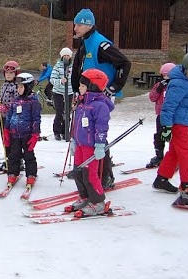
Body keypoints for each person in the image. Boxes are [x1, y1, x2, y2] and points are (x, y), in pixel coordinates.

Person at [70, 8, 131, 189]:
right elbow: (79, 69)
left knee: (97, 136)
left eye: (79, 24)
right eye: (75, 24)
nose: (75, 28)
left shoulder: (100, 43)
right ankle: (86, 170)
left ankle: (105, 176)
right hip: (86, 96)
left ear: (88, 25)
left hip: (99, 98)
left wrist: (112, 88)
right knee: (84, 134)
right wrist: (76, 91)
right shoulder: (85, 42)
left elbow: (124, 63)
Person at [152, 51, 188, 200]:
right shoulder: (178, 84)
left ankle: (161, 178)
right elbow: (168, 107)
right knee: (186, 152)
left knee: (175, 151)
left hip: (184, 123)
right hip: (177, 124)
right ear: (185, 69)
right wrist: (166, 127)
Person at [67, 68, 114, 217]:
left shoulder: (100, 106)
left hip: (90, 146)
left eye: (82, 85)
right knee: (78, 172)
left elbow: (102, 127)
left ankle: (98, 201)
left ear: (92, 86)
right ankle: (85, 197)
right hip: (80, 144)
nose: (79, 88)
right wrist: (73, 139)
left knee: (90, 174)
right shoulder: (82, 103)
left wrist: (100, 145)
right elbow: (76, 123)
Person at [3, 73, 41, 187]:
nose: (18, 89)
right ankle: (12, 173)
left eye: (21, 87)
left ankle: (31, 175)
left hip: (27, 135)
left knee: (29, 156)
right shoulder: (15, 101)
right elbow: (9, 116)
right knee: (13, 155)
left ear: (28, 87)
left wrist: (35, 134)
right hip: (14, 134)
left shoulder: (33, 102)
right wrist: (6, 130)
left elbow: (36, 119)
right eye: (17, 87)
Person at [0, 60, 23, 171]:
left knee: (14, 141)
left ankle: (18, 161)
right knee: (5, 139)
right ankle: (8, 159)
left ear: (16, 74)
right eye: (6, 73)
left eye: (11, 73)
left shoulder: (17, 87)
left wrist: (6, 108)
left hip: (14, 119)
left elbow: (19, 103)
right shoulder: (4, 86)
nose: (8, 75)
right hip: (3, 118)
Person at [146, 63, 176, 168]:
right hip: (161, 115)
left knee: (173, 136)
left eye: (169, 76)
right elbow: (152, 98)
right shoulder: (159, 85)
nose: (167, 78)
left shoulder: (176, 85)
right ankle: (159, 155)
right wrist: (159, 89)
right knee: (159, 135)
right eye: (165, 75)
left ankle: (174, 156)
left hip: (173, 116)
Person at [50, 47, 74, 141]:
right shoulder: (57, 66)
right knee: (59, 112)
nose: (66, 57)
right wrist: (60, 81)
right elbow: (52, 79)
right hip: (58, 92)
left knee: (67, 112)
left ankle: (65, 132)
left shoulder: (73, 66)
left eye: (68, 55)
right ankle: (57, 132)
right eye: (64, 56)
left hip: (70, 92)